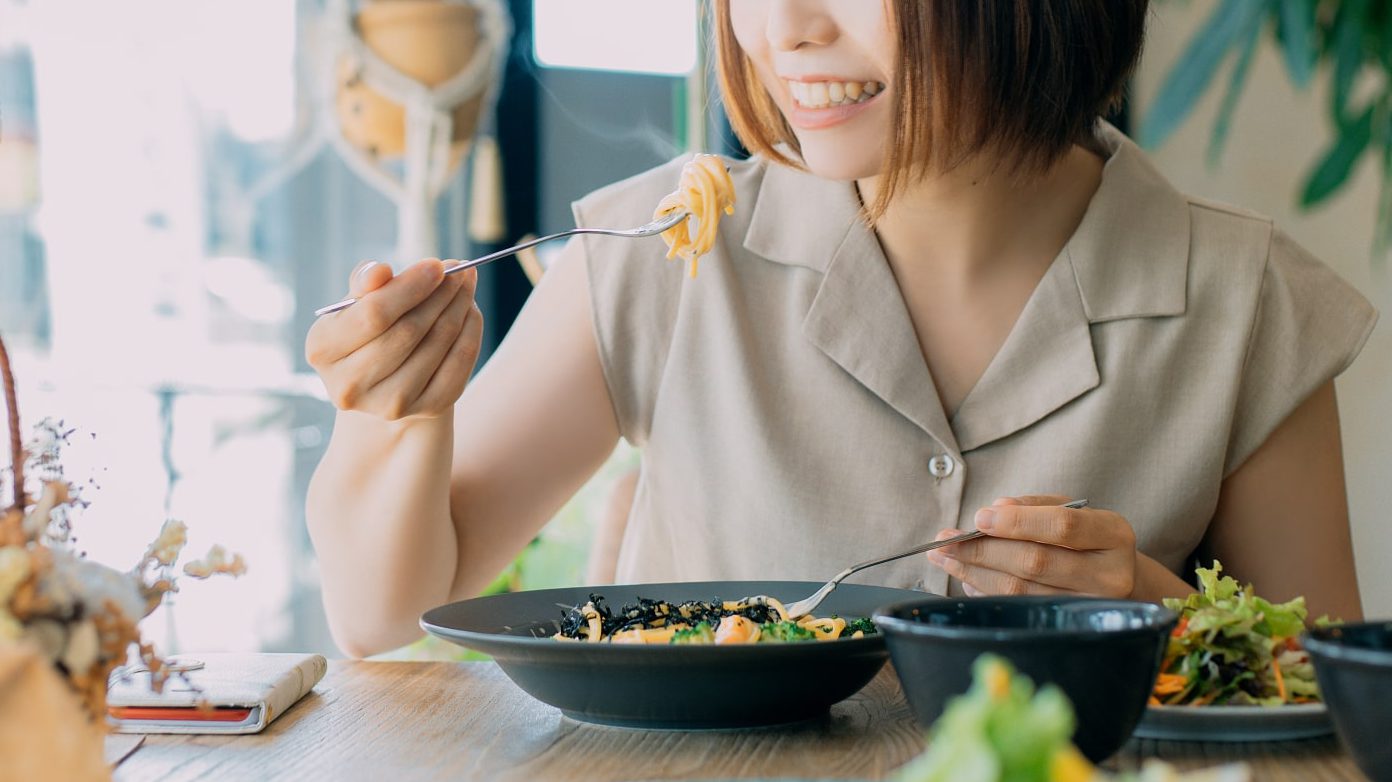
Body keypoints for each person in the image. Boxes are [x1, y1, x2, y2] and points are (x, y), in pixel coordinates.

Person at [304, 1, 1376, 658]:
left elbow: (1329, 703)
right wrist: (390, 411)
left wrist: (1156, 612)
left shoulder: (1246, 300)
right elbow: (388, 608)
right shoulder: (663, 253)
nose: (785, 29)